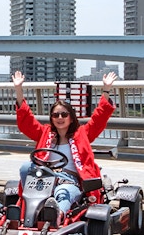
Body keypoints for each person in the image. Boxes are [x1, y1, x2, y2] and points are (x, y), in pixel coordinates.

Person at [12, 70, 117, 224]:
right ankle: (24, 207)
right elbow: (26, 120)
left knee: (63, 192)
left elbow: (99, 118)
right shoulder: (45, 133)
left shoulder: (82, 134)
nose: (60, 118)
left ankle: (56, 215)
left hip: (69, 181)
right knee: (25, 167)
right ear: (51, 118)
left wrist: (106, 89)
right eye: (56, 115)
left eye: (64, 114)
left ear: (71, 117)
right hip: (43, 180)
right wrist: (18, 90)